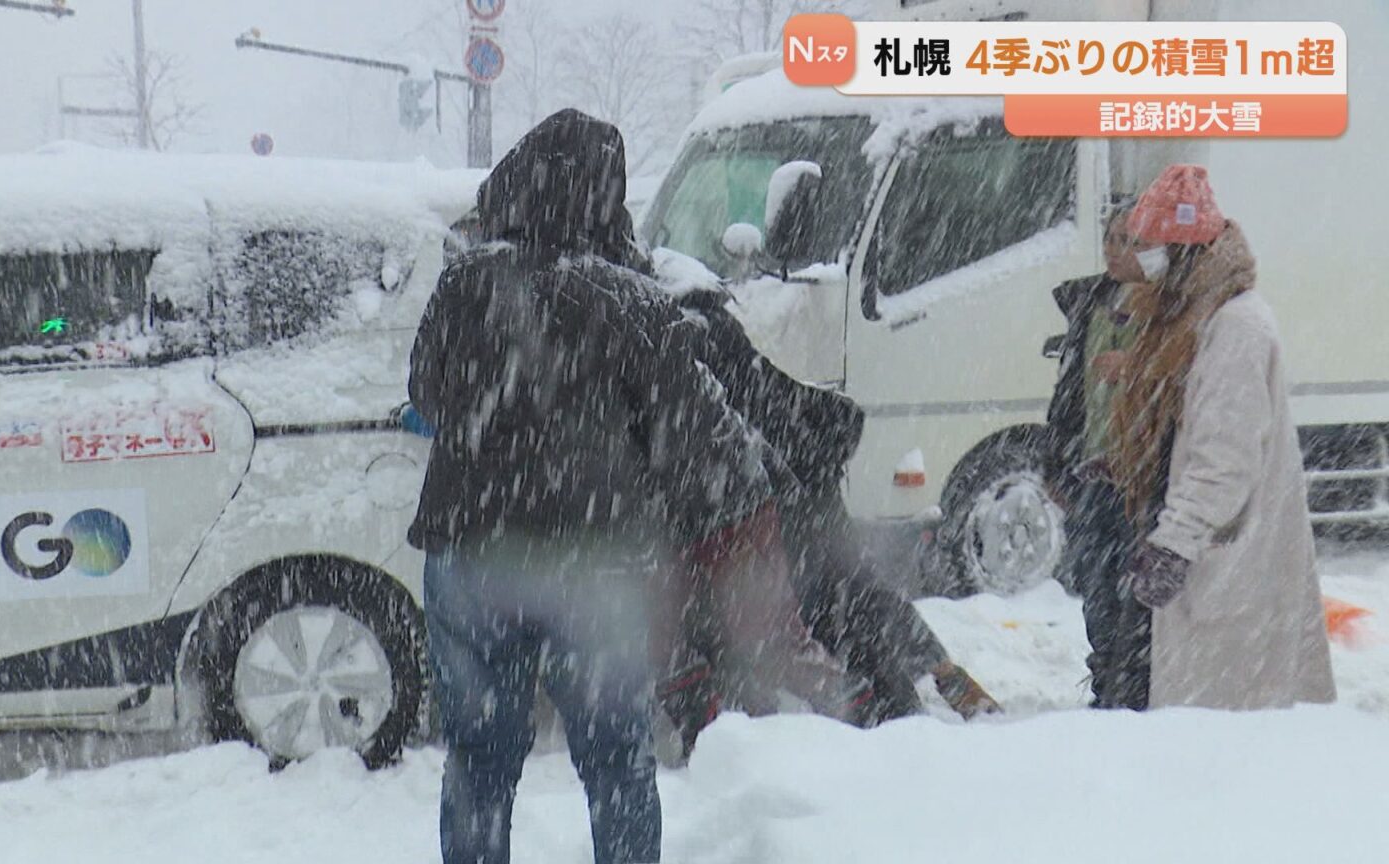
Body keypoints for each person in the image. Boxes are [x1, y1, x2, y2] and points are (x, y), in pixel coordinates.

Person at [409, 109, 769, 864]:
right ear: (606, 196)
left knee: (478, 758)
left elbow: (431, 395)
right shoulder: (635, 303)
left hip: (472, 550)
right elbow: (693, 439)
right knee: (614, 760)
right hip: (595, 561)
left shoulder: (464, 284)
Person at [654, 280, 1000, 756]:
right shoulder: (724, 340)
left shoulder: (687, 349)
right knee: (854, 592)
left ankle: (889, 719)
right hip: (805, 480)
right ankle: (932, 687)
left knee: (832, 606)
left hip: (772, 506)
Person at [1108, 164, 1336, 710]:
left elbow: (1224, 460)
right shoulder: (1191, 317)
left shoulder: (1234, 327)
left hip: (1229, 559)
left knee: (1226, 727)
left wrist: (1174, 543)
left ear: (1185, 251)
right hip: (1212, 551)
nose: (1141, 257)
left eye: (1151, 244)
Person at [1044, 198, 1154, 710]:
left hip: (1141, 479)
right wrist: (1055, 463)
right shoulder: (1089, 302)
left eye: (1130, 241)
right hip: (1093, 475)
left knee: (1137, 590)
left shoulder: (1167, 312)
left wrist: (1136, 365)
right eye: (1111, 238)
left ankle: (1133, 687)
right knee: (1095, 583)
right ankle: (1106, 681)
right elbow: (1067, 396)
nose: (1115, 250)